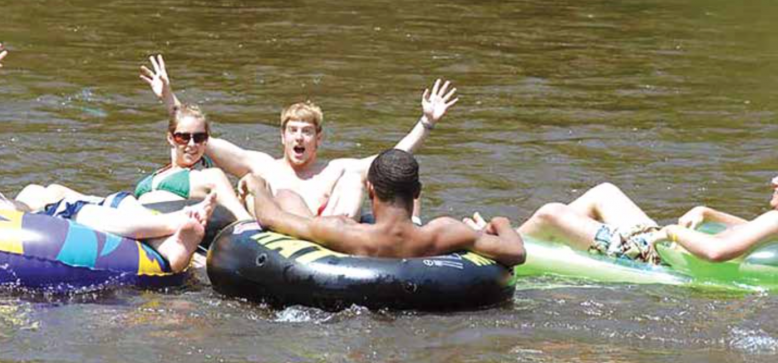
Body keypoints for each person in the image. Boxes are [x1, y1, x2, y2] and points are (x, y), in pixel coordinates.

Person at [0, 43, 210, 272]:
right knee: (82, 215)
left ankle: (174, 245)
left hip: (62, 208)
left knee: (59, 196)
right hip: (54, 222)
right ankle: (175, 226)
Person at [141, 56, 458, 219]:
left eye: (307, 132)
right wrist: (168, 96)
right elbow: (196, 137)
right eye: (293, 131)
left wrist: (426, 122)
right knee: (252, 184)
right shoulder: (262, 165)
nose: (299, 138)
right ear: (282, 136)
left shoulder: (334, 169)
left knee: (354, 178)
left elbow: (391, 161)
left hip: (328, 238)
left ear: (318, 138)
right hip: (273, 241)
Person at [468, 152, 778, 263]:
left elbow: (716, 253)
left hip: (655, 255)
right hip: (659, 244)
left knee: (552, 212)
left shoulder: (777, 220)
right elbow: (747, 230)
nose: (774, 181)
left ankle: (501, 249)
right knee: (604, 192)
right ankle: (524, 239)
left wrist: (674, 232)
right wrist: (708, 212)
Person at [239, 149, 525, 267]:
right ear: (417, 192)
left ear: (371, 190)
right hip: (419, 256)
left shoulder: (343, 231)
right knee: (289, 196)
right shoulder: (445, 232)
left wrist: (257, 186)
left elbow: (270, 217)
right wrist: (499, 222)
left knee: (286, 197)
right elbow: (516, 252)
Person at [135, 55, 252, 221]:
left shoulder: (208, 176)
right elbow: (179, 117)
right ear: (171, 138)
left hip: (171, 226)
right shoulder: (160, 173)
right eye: (183, 137)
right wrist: (167, 95)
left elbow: (240, 217)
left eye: (199, 137)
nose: (192, 144)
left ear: (206, 140)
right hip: (136, 225)